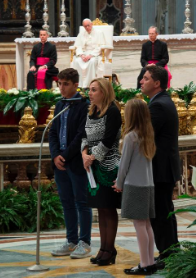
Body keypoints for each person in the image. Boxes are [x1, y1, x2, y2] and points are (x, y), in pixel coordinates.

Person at [49, 68, 92, 259]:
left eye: (65, 84)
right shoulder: (60, 105)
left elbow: (82, 135)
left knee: (82, 202)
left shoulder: (84, 105)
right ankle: (71, 240)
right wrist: (55, 155)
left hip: (75, 162)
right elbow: (52, 132)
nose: (61, 87)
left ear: (76, 85)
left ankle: (85, 242)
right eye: (59, 83)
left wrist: (64, 155)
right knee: (67, 203)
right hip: (61, 164)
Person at [140, 66, 181, 265]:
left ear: (157, 83)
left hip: (160, 169)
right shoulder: (162, 101)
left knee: (161, 214)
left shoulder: (157, 105)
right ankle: (171, 251)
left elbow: (145, 136)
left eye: (146, 78)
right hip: (164, 168)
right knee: (165, 212)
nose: (141, 81)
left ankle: (168, 254)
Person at [113, 99, 157, 276]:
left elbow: (124, 164)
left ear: (131, 115)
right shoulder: (147, 134)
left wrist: (119, 182)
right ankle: (150, 261)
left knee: (139, 225)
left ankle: (145, 263)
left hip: (134, 184)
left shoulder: (131, 136)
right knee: (146, 225)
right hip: (148, 184)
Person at [81, 78, 121, 266]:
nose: (90, 93)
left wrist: (92, 157)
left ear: (104, 92)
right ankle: (103, 249)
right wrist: (83, 154)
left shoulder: (112, 111)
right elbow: (84, 136)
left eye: (94, 90)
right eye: (89, 90)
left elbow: (109, 139)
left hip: (108, 166)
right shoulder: (91, 111)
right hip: (93, 168)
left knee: (109, 208)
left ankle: (109, 249)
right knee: (100, 208)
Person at [72, 19, 105, 88]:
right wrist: (81, 55)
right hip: (84, 53)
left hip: (95, 54)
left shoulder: (99, 33)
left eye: (88, 25)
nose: (87, 27)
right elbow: (78, 46)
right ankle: (80, 85)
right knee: (77, 61)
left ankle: (90, 84)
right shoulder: (81, 34)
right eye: (85, 26)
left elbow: (101, 46)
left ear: (91, 24)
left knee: (92, 62)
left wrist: (91, 55)